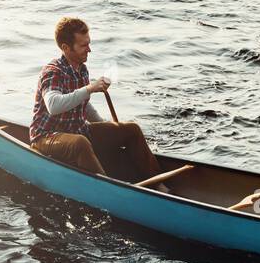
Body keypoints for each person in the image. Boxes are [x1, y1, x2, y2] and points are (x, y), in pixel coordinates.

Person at [29, 17, 163, 182]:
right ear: (65, 48)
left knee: (131, 130)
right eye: (83, 45)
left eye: (89, 43)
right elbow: (53, 105)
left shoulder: (82, 69)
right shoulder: (52, 71)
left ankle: (159, 184)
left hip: (78, 131)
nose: (89, 49)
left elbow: (83, 105)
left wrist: (108, 127)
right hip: (46, 138)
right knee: (80, 143)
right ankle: (110, 189)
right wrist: (90, 88)